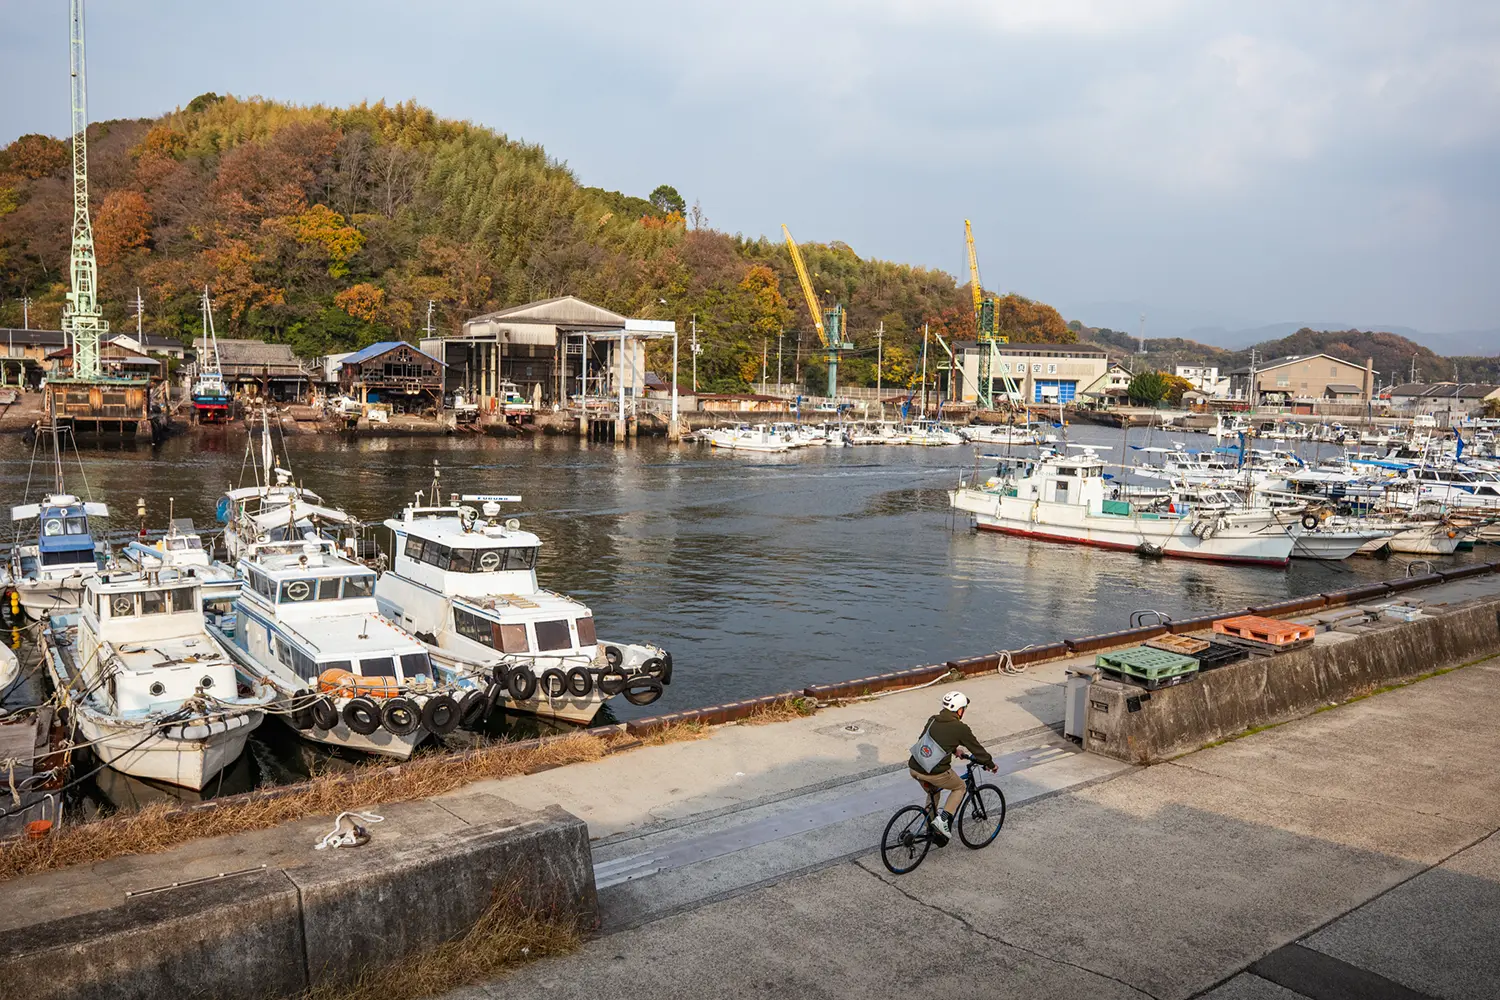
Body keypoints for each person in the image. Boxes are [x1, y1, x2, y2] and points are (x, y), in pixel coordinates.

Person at [908, 690, 996, 841]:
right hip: (934, 773)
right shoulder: (960, 728)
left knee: (933, 792)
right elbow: (977, 749)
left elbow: (926, 741)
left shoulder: (933, 719)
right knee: (959, 787)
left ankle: (931, 828)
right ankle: (942, 821)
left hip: (914, 768)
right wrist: (990, 764)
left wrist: (954, 749)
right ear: (959, 710)